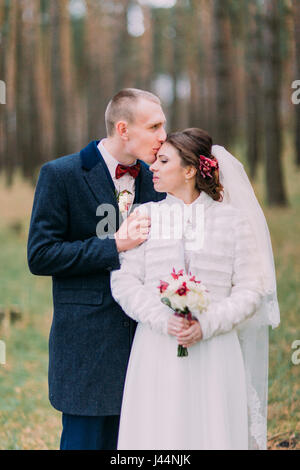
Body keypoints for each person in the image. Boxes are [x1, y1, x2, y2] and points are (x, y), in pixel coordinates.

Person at [111, 128, 280, 450]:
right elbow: (123, 280)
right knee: (158, 431)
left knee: (211, 430)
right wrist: (163, 319)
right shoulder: (144, 215)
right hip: (157, 346)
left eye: (163, 161)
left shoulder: (233, 221)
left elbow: (251, 287)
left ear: (189, 170)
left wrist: (208, 324)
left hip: (215, 349)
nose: (153, 167)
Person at [27, 88, 167, 450]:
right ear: (123, 129)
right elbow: (41, 255)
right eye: (154, 126)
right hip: (86, 348)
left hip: (146, 345)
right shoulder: (61, 175)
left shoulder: (160, 181)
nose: (163, 136)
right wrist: (114, 244)